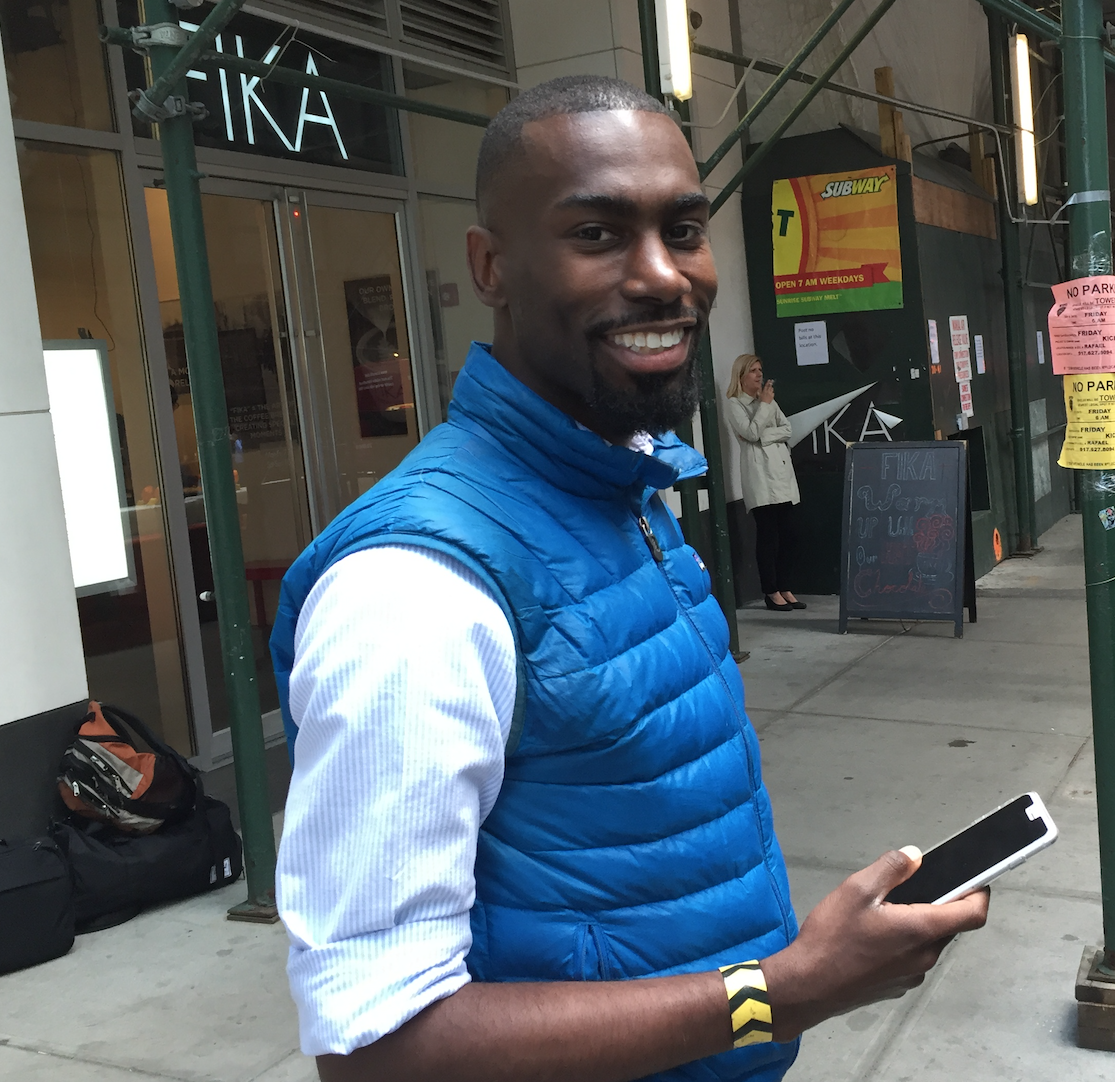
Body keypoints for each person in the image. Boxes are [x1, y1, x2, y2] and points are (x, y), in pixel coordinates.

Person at [270, 76, 989, 1082]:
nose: (664, 276)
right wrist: (780, 991)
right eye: (598, 234)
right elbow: (380, 1046)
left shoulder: (625, 485)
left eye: (683, 229)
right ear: (491, 266)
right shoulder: (413, 592)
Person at [724, 354, 804, 612]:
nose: (759, 375)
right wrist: (765, 410)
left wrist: (763, 434)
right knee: (768, 536)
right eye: (753, 371)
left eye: (760, 369)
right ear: (741, 375)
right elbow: (749, 433)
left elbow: (788, 429)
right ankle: (771, 591)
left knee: (791, 534)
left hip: (781, 475)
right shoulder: (735, 404)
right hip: (760, 478)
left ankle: (785, 585)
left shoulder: (767, 401)